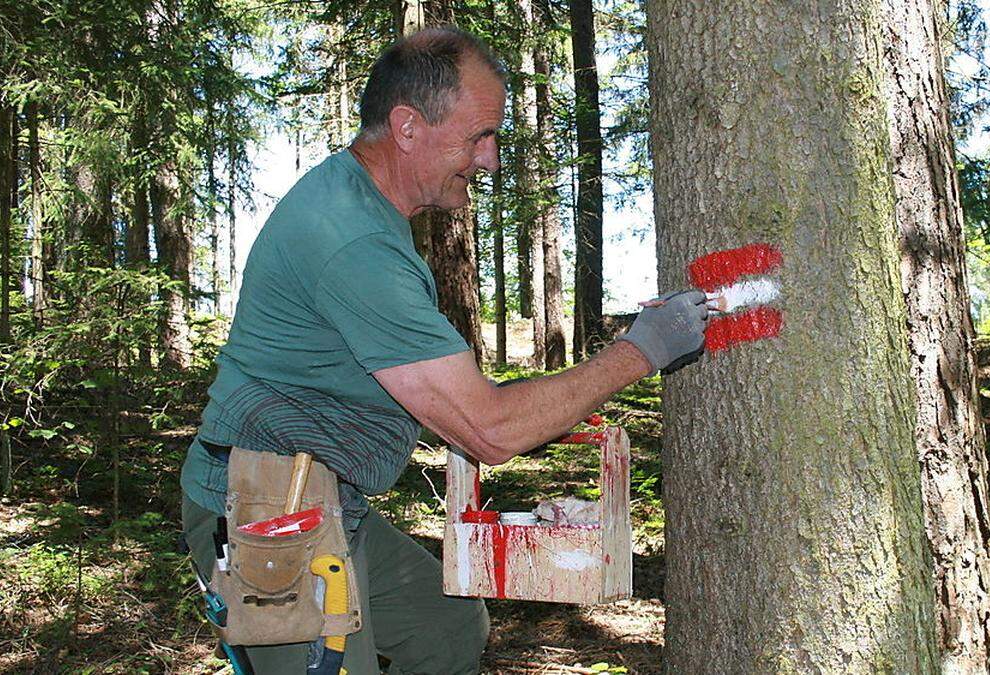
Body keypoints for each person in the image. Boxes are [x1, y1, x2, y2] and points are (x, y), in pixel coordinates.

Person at [179, 26, 708, 674]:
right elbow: (489, 427)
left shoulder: (362, 209)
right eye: (477, 136)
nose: (488, 160)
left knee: (447, 627)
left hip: (320, 494)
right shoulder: (354, 242)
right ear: (407, 128)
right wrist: (642, 350)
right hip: (263, 509)